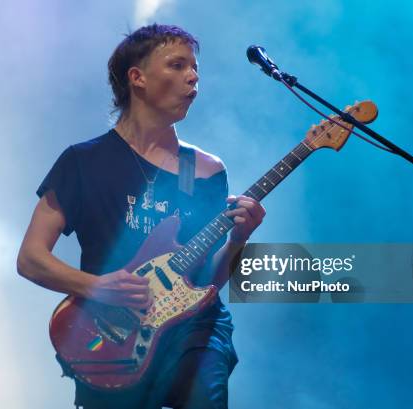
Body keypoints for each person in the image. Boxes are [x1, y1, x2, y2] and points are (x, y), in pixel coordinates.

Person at [17, 23, 266, 409]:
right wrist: (94, 286)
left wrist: (238, 240)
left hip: (194, 334)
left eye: (195, 68)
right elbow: (30, 258)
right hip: (114, 333)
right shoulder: (83, 162)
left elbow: (208, 281)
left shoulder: (206, 170)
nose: (193, 76)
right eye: (178, 65)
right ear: (138, 78)